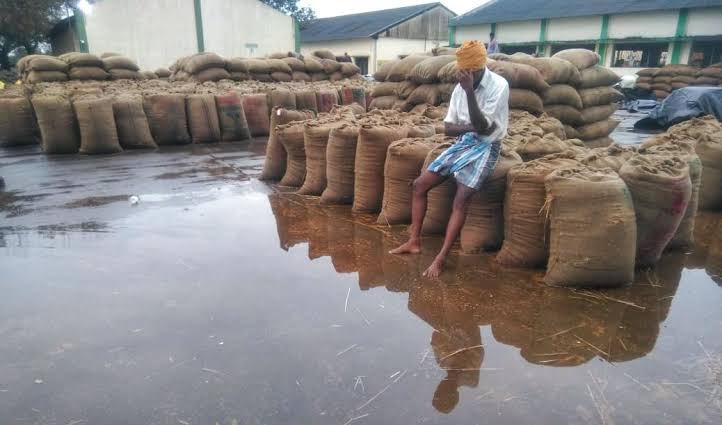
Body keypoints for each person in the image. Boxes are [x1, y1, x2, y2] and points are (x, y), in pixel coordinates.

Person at [389, 40, 509, 278]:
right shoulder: (458, 88)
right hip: (464, 142)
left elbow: (485, 129)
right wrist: (469, 125)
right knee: (419, 185)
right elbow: (448, 129)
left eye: (468, 72)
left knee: (461, 198)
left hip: (488, 146)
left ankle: (441, 258)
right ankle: (414, 242)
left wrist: (469, 94)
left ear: (478, 68)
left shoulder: (499, 85)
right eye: (461, 71)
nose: (463, 76)